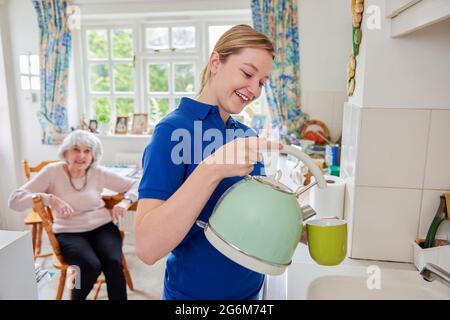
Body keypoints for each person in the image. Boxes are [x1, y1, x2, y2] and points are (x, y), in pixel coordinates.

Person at [135, 25, 283, 300]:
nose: (254, 90)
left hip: (252, 290)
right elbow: (146, 247)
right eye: (248, 74)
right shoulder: (171, 131)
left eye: (262, 82)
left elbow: (254, 218)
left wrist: (296, 226)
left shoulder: (245, 135)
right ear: (216, 62)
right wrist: (212, 168)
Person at [9, 130, 138, 300]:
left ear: (93, 155)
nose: (81, 156)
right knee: (89, 265)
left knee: (113, 263)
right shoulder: (53, 172)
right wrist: (49, 199)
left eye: (87, 151)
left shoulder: (97, 172)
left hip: (102, 227)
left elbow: (137, 184)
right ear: (66, 152)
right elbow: (15, 201)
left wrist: (126, 201)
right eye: (76, 149)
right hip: (69, 232)